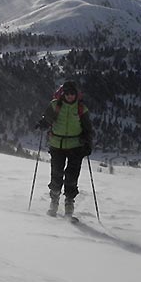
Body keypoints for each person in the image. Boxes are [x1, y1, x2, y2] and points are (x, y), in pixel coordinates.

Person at [36, 80, 94, 218]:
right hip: (57, 145)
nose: (69, 96)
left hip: (76, 147)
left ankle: (69, 202)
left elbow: (88, 129)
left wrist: (87, 144)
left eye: (72, 93)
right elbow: (48, 119)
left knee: (71, 177)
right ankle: (55, 202)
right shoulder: (55, 105)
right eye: (67, 93)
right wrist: (43, 123)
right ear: (63, 93)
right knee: (56, 174)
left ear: (76, 94)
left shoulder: (81, 109)